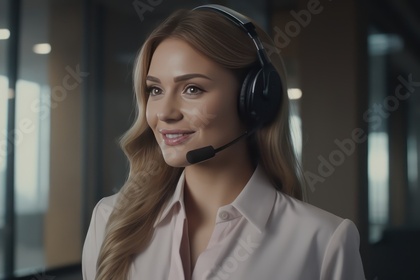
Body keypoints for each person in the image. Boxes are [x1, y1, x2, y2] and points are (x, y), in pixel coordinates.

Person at [82, 4, 365, 280]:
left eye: (192, 89)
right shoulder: (110, 220)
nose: (164, 113)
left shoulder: (323, 241)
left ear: (255, 100)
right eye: (155, 89)